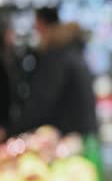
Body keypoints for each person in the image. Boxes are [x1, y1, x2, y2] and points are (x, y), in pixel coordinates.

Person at [5, 7, 97, 137]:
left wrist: (11, 132)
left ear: (41, 24)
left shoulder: (57, 56)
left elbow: (41, 103)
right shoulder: (70, 50)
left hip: (69, 141)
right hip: (83, 136)